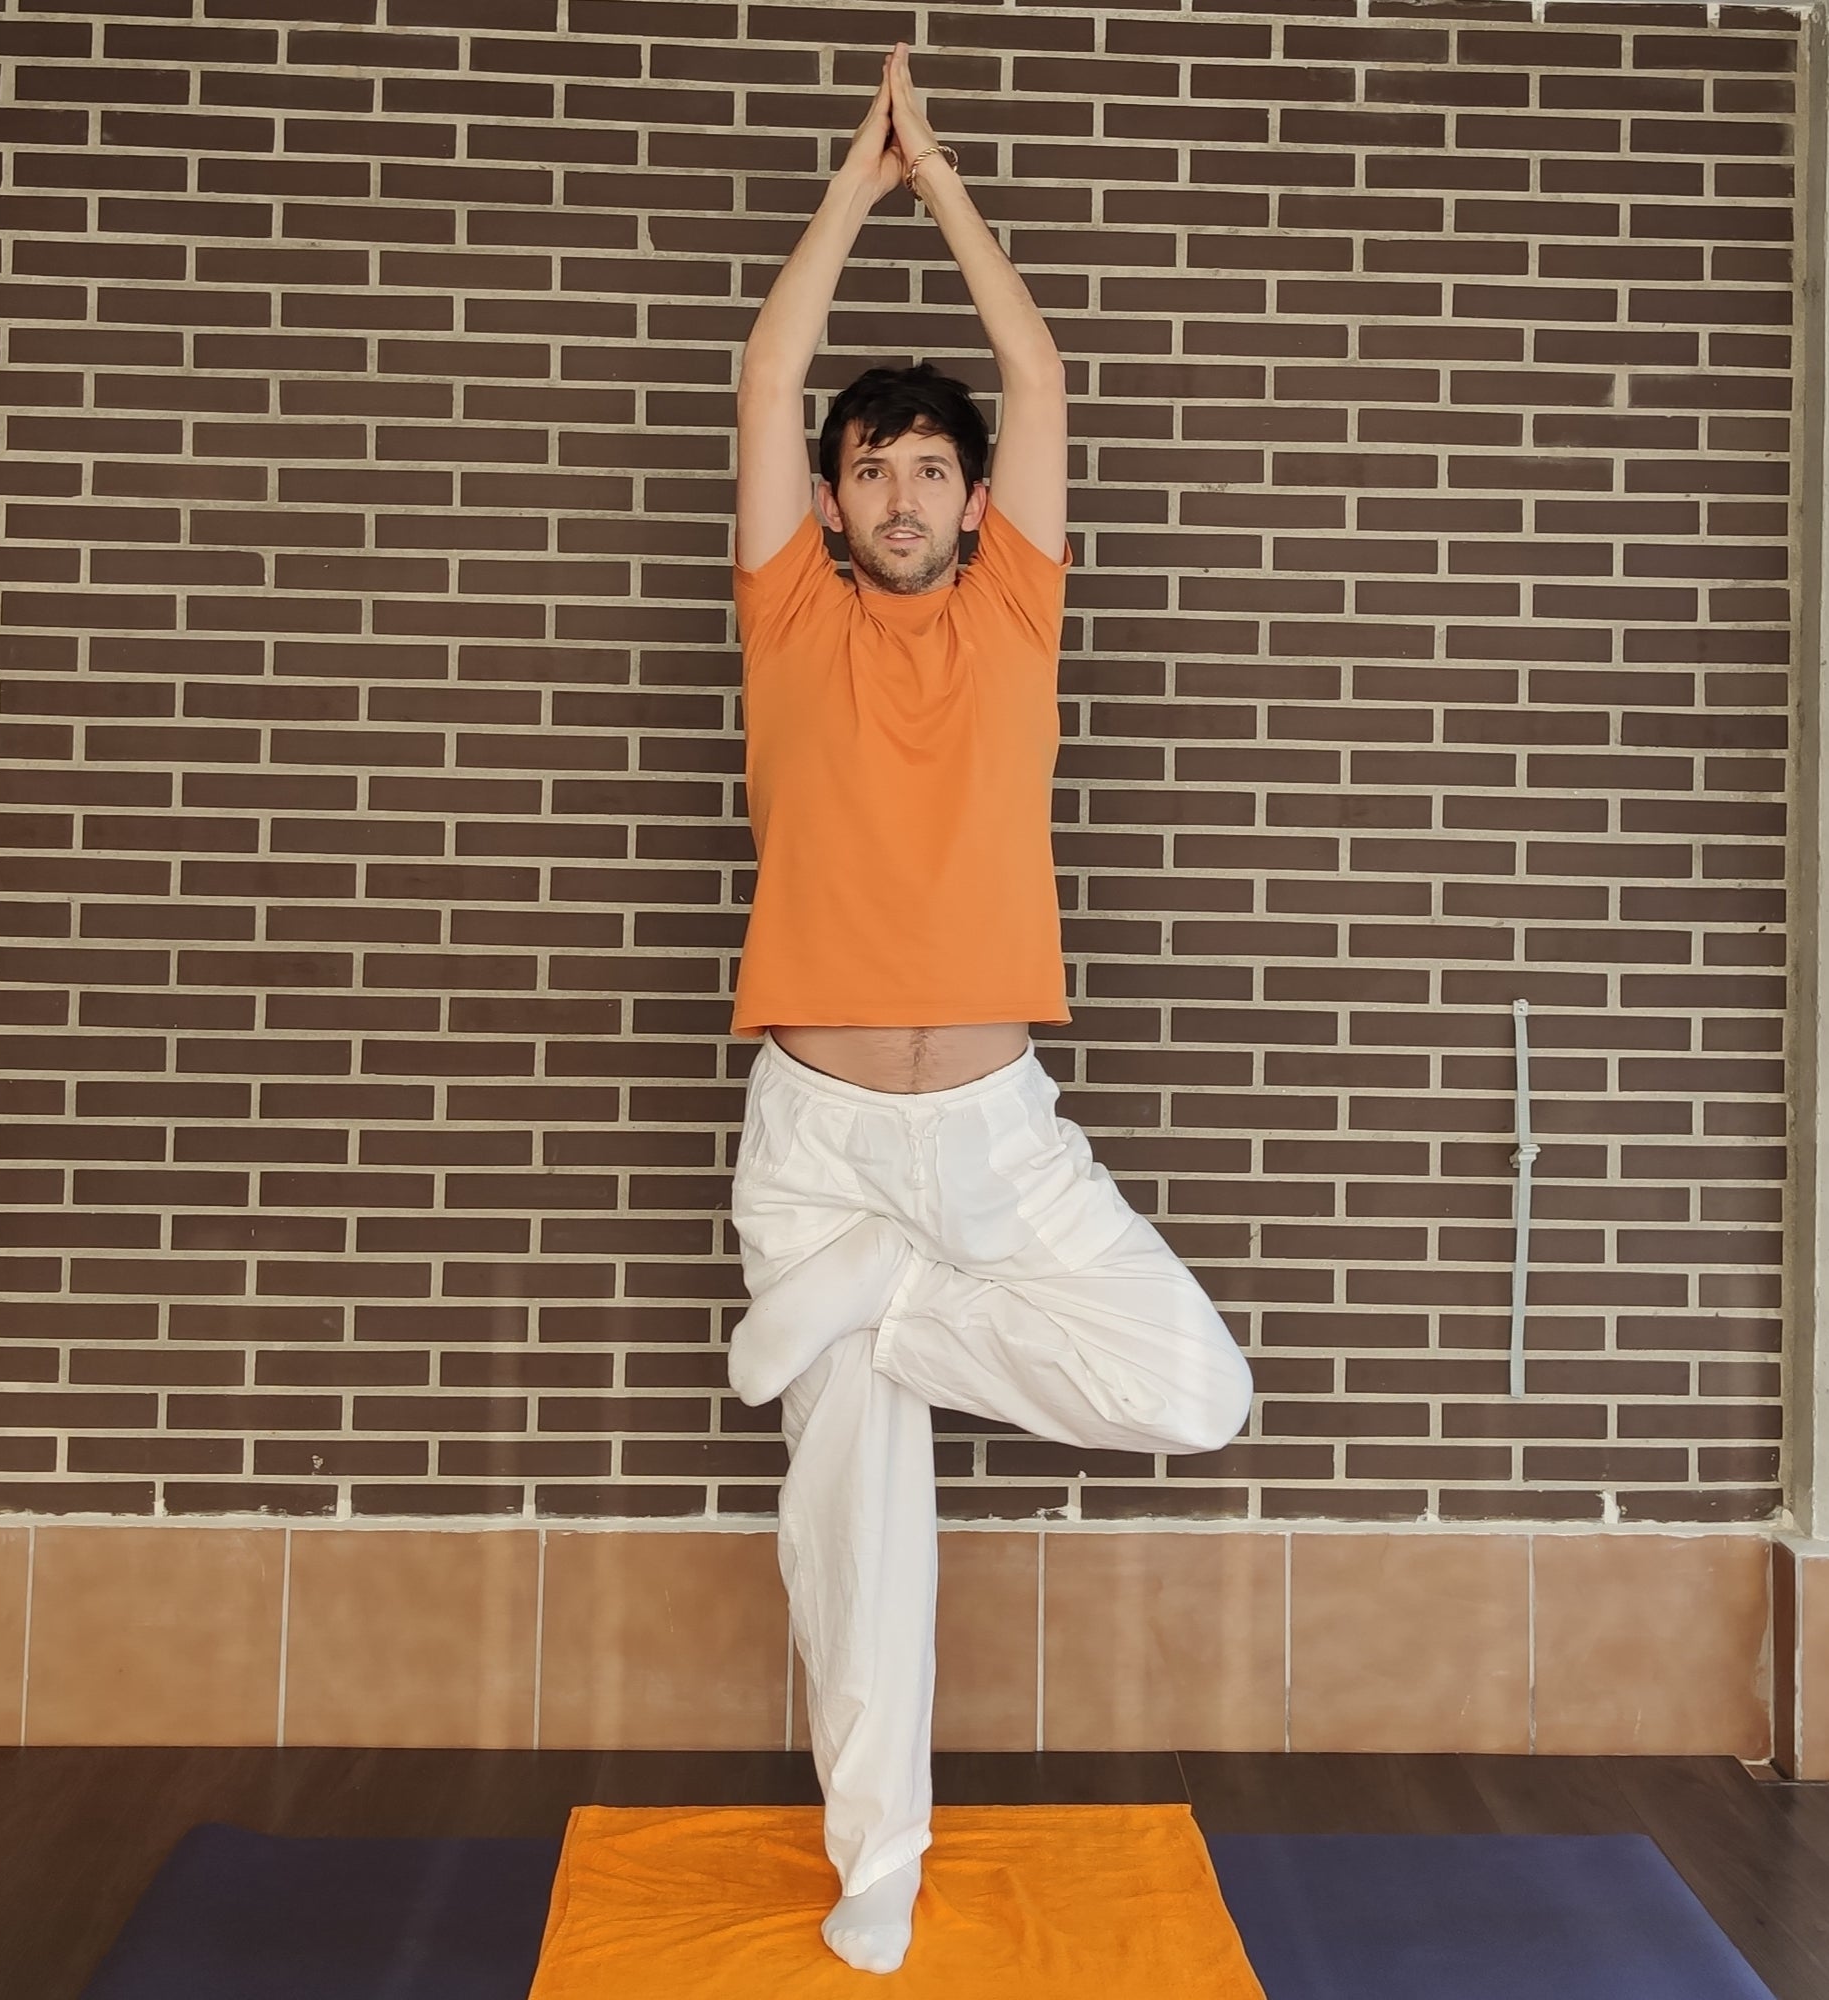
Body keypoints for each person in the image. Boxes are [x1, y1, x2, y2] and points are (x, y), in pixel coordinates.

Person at [724, 44, 1256, 1976]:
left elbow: (1036, 374)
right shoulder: (789, 612)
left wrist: (938, 180)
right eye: (870, 465)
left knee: (1197, 1389)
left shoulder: (1018, 606)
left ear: (969, 498)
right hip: (823, 1144)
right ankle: (877, 1873)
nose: (899, 487)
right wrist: (846, 201)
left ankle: (873, 1317)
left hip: (998, 1142)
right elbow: (762, 378)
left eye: (927, 466)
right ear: (837, 495)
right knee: (855, 1553)